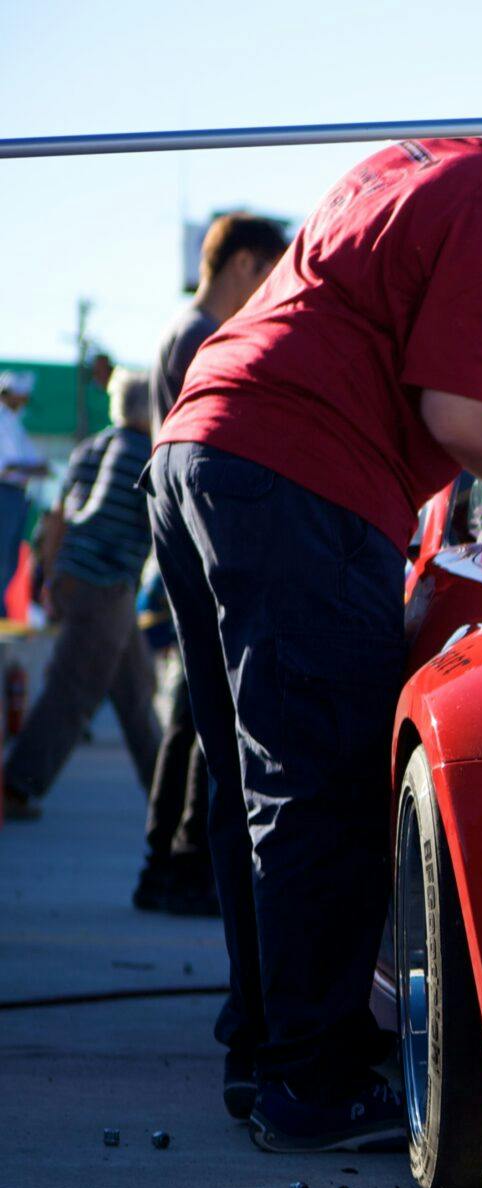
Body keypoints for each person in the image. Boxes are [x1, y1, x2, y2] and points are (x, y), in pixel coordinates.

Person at [148, 74, 482, 1152]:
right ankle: (318, 1084)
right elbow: (457, 416)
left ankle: (270, 1055)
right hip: (301, 475)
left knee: (265, 785)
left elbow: (375, 305)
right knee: (328, 789)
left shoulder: (432, 160)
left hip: (203, 453)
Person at [135, 213, 290, 912]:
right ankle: (189, 857)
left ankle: (165, 856)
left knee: (192, 710)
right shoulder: (205, 336)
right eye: (272, 274)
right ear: (246, 266)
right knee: (216, 712)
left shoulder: (179, 329)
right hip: (204, 530)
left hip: (177, 525)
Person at [0, 370, 162, 814]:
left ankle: (169, 796)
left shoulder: (92, 447)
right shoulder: (140, 453)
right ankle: (16, 787)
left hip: (81, 579)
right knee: (73, 692)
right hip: (106, 585)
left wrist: (53, 577)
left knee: (135, 694)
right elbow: (145, 519)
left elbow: (56, 515)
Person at [0, 372, 47, 584]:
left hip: (15, 495)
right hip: (6, 493)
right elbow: (8, 466)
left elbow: (35, 464)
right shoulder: (4, 422)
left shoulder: (14, 423)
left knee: (10, 559)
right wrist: (32, 468)